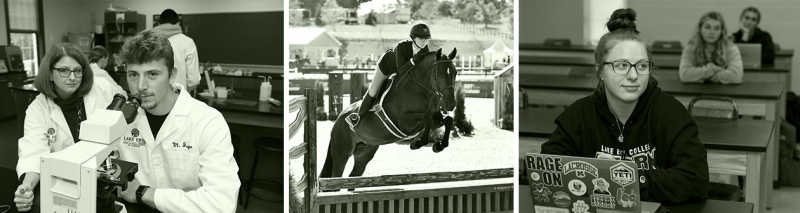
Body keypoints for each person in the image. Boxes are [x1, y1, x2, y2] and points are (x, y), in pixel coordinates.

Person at [540, 9, 709, 204]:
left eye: (642, 66)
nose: (633, 76)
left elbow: (695, 180)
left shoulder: (671, 113)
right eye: (621, 65)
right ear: (600, 71)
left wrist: (618, 184)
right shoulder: (578, 115)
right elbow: (549, 171)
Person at [115, 30, 240, 212]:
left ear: (172, 75)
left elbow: (221, 204)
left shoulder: (207, 121)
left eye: (152, 74)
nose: (141, 86)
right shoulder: (120, 118)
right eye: (133, 75)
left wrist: (145, 193)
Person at [13, 44, 121, 212]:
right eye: (64, 70)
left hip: (102, 173)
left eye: (78, 71)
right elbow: (34, 153)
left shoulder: (100, 88)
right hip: (63, 178)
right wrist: (27, 187)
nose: (72, 77)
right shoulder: (38, 108)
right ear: (49, 73)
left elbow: (122, 108)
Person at [347, 22, 431, 127]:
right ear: (413, 38)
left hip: (404, 71)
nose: (424, 42)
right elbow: (400, 71)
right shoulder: (402, 46)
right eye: (422, 39)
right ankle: (357, 116)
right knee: (373, 90)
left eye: (427, 39)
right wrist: (413, 61)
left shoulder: (425, 50)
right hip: (386, 67)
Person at [679, 11, 743, 84]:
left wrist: (702, 76)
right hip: (697, 92)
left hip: (724, 92)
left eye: (716, 28)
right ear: (700, 29)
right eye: (707, 27)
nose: (712, 32)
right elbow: (684, 75)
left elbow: (737, 76)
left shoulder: (731, 48)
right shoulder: (691, 47)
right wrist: (712, 69)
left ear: (721, 31)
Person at [152, 8, 201, 93]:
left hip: (155, 95)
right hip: (178, 95)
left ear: (159, 23)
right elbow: (194, 80)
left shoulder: (150, 41)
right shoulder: (187, 42)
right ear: (178, 23)